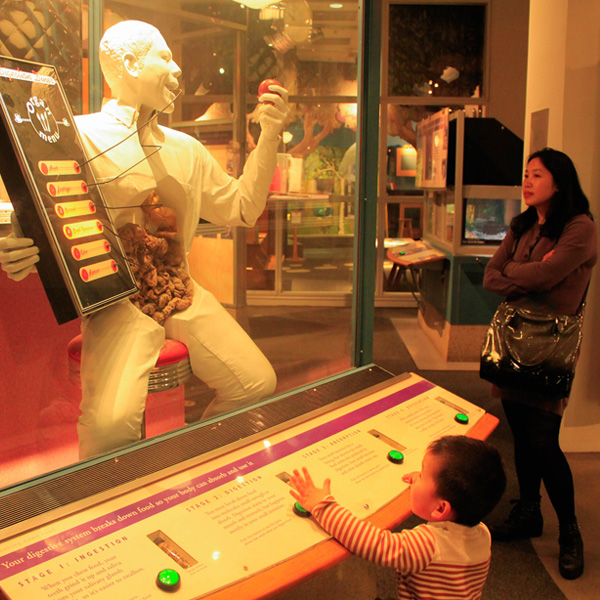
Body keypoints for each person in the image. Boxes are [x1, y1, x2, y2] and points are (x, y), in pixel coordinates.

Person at [0, 20, 290, 459]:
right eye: (165, 57)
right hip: (114, 298)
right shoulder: (73, 135)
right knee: (109, 429)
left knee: (256, 383)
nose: (177, 69)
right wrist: (16, 248)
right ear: (131, 63)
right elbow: (32, 210)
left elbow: (242, 208)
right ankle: (113, 495)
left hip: (182, 290)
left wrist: (269, 135)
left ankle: (188, 464)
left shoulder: (185, 149)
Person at [483, 147, 597, 580]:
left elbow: (547, 277)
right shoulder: (524, 225)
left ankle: (570, 533)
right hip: (513, 341)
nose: (527, 182)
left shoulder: (580, 227)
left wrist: (517, 271)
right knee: (521, 434)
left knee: (544, 440)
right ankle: (529, 511)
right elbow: (491, 276)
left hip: (551, 345)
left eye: (536, 175)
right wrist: (526, 271)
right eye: (526, 174)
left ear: (559, 181)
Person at [289, 435, 506, 600]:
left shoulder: (428, 546)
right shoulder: (482, 533)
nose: (415, 476)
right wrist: (423, 484)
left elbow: (373, 543)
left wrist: (323, 506)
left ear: (441, 509)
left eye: (422, 474)